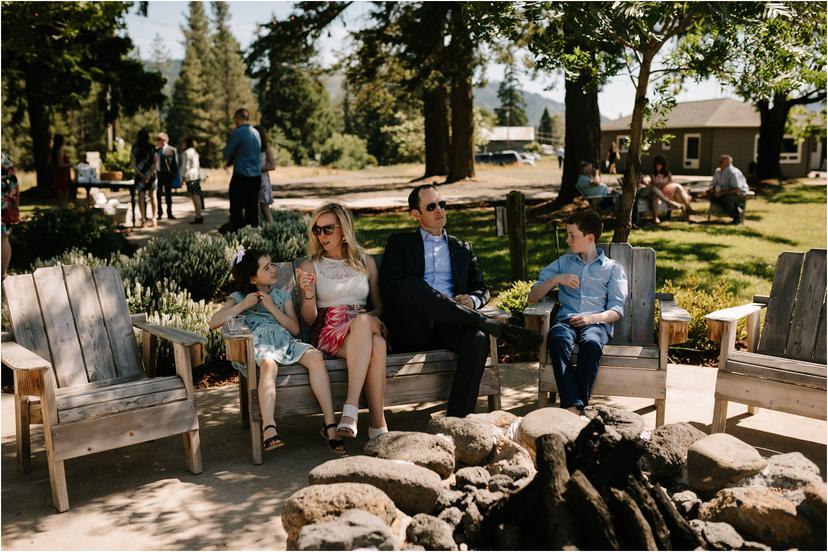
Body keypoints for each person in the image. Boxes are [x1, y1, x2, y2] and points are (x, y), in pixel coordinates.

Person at [379, 184, 543, 418]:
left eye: (442, 204)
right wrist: (426, 296)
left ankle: (458, 420)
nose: (440, 210)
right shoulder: (400, 243)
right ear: (416, 214)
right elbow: (389, 286)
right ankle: (497, 328)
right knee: (414, 284)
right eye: (431, 206)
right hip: (414, 327)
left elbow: (482, 289)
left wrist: (473, 301)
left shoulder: (461, 248)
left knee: (477, 338)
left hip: (451, 324)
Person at [209, 248, 345, 455]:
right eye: (267, 267)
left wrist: (273, 308)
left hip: (286, 342)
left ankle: (330, 425)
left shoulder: (282, 296)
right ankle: (269, 428)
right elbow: (213, 322)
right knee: (268, 362)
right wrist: (242, 305)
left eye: (272, 264)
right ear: (253, 278)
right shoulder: (237, 297)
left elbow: (295, 329)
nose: (274, 269)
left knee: (316, 357)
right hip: (261, 346)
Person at [296, 203, 388, 439]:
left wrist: (362, 322)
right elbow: (309, 319)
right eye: (317, 230)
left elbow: (379, 306)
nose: (321, 236)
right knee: (377, 346)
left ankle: (350, 410)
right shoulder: (310, 266)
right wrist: (307, 294)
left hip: (366, 324)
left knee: (364, 323)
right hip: (330, 330)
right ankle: (378, 427)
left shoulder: (365, 262)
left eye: (328, 229)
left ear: (343, 229)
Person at [527, 210, 628, 414]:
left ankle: (574, 406)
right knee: (557, 340)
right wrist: (557, 279)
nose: (567, 240)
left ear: (590, 238)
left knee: (591, 344)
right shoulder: (564, 263)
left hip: (596, 323)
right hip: (566, 321)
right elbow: (532, 296)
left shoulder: (612, 269)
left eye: (572, 235)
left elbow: (617, 310)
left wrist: (592, 318)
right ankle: (575, 407)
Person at [223, 108, 262, 230]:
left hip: (241, 175)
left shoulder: (238, 132)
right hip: (256, 176)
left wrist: (233, 153)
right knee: (252, 207)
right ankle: (253, 236)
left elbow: (226, 154)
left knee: (236, 207)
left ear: (239, 118)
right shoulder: (256, 133)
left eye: (235, 119)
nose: (234, 122)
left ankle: (237, 232)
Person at [708, 154, 749, 224]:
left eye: (721, 162)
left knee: (727, 199)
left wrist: (722, 193)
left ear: (728, 163)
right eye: (719, 161)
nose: (719, 163)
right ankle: (730, 210)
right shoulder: (718, 171)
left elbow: (736, 189)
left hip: (738, 194)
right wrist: (713, 189)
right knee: (711, 196)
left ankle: (736, 217)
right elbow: (713, 184)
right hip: (722, 193)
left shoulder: (733, 173)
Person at [650, 155, 693, 221]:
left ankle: (685, 211)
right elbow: (655, 186)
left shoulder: (668, 174)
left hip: (670, 191)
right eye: (655, 164)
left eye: (658, 164)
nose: (657, 165)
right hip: (662, 193)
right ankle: (687, 208)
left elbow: (671, 184)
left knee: (677, 192)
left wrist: (663, 184)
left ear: (662, 164)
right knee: (677, 189)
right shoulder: (653, 175)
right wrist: (663, 184)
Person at [130, 129, 157, 228]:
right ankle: (154, 219)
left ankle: (143, 220)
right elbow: (155, 162)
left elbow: (132, 163)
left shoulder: (135, 147)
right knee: (152, 196)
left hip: (140, 175)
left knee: (141, 197)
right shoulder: (152, 147)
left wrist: (141, 174)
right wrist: (150, 174)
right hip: (151, 175)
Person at [2, 153, 20, 278]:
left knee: (2, 238)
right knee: (3, 238)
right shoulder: (3, 158)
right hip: (3, 202)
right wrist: (13, 201)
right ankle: (3, 274)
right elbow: (13, 180)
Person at [154, 132, 178, 220]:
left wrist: (173, 175)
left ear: (164, 140)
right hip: (158, 175)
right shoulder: (156, 150)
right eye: (158, 140)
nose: (159, 142)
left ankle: (169, 213)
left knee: (168, 195)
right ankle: (159, 213)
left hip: (168, 175)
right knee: (158, 195)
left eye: (160, 140)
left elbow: (175, 164)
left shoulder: (172, 150)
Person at [255, 125, 275, 225]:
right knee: (255, 209)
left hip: (263, 181)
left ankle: (272, 229)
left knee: (265, 209)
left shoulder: (266, 148)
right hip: (252, 180)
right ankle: (257, 231)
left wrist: (259, 169)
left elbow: (272, 166)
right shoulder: (251, 148)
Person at [182, 137, 204, 224]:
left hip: (190, 176)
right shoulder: (195, 152)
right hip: (196, 175)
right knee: (196, 196)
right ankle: (198, 215)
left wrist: (182, 177)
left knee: (194, 196)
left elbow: (184, 166)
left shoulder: (186, 153)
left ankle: (198, 216)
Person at [50, 133, 72, 207]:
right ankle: (62, 208)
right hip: (62, 174)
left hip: (59, 174)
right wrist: (69, 165)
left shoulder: (54, 149)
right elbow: (60, 164)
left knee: (62, 193)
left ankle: (60, 208)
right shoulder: (60, 150)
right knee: (64, 193)